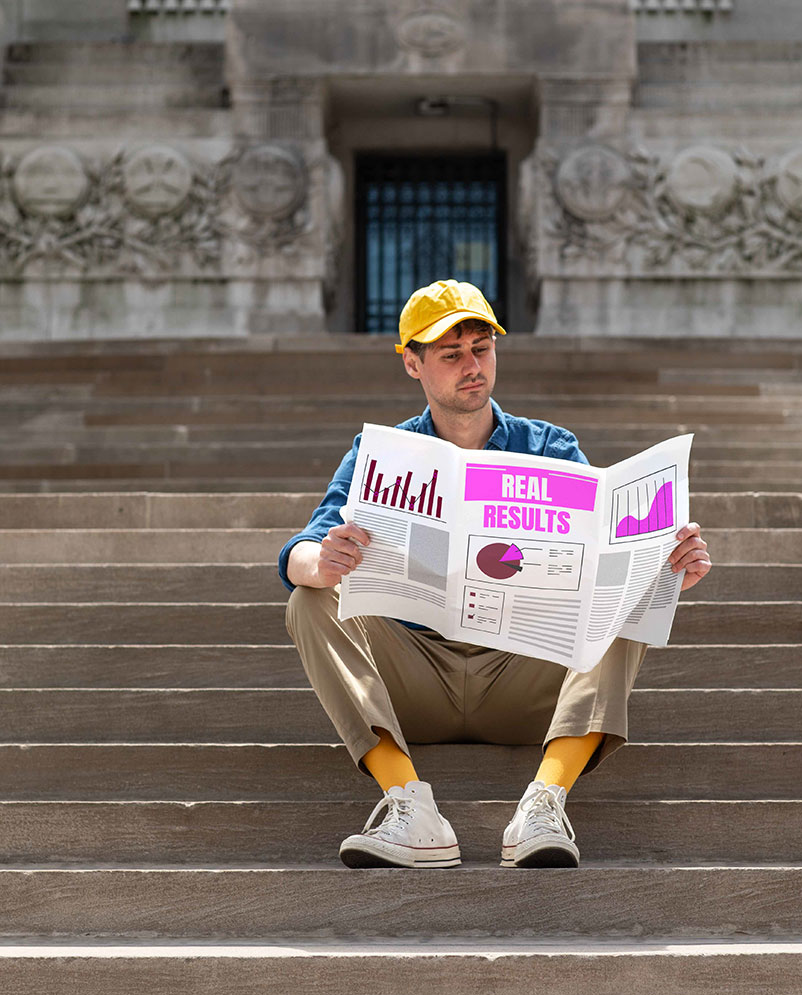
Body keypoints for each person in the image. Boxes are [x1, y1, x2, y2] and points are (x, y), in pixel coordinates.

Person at [279, 278, 711, 869]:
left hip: (523, 675)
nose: (471, 366)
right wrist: (321, 564)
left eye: (481, 348)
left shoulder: (550, 448)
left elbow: (607, 555)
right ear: (412, 364)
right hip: (416, 677)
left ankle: (545, 801)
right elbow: (301, 550)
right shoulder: (380, 455)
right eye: (450, 355)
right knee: (309, 599)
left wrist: (663, 573)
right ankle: (409, 806)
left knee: (626, 594)